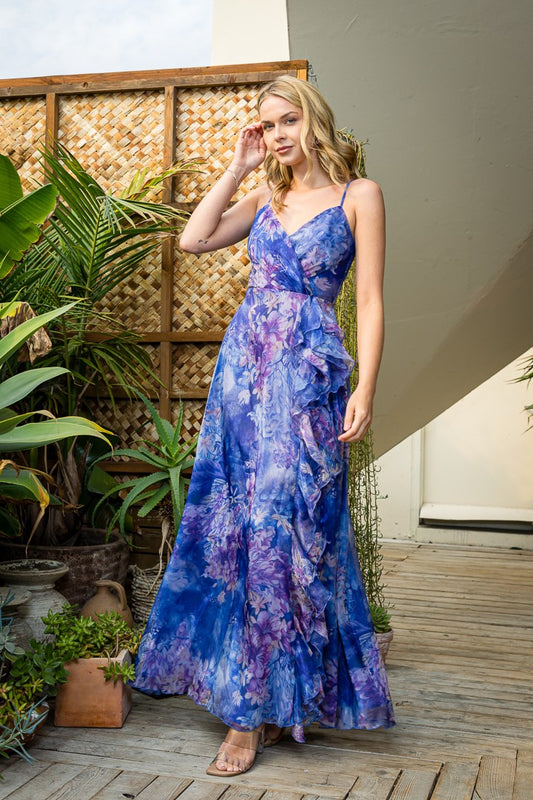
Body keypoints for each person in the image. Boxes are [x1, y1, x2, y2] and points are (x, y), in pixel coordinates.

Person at [132, 75, 395, 777]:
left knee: (294, 534)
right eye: (268, 125)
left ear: (315, 121)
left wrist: (366, 387)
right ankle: (250, 715)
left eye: (288, 121)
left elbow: (369, 301)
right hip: (244, 380)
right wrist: (238, 167)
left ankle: (272, 701)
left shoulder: (358, 196)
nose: (278, 135)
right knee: (241, 532)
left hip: (308, 380)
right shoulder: (264, 199)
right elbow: (193, 239)